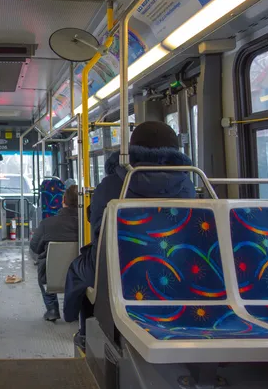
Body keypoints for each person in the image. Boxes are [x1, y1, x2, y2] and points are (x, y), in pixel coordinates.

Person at [63, 121, 196, 350]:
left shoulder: (113, 183)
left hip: (122, 267)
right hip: (177, 265)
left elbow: (98, 227)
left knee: (79, 270)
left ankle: (84, 333)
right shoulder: (189, 184)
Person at [30, 185, 79, 321]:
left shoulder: (47, 224)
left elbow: (34, 247)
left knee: (43, 263)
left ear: (63, 200)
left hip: (51, 275)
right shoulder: (86, 224)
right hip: (80, 275)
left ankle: (52, 309)